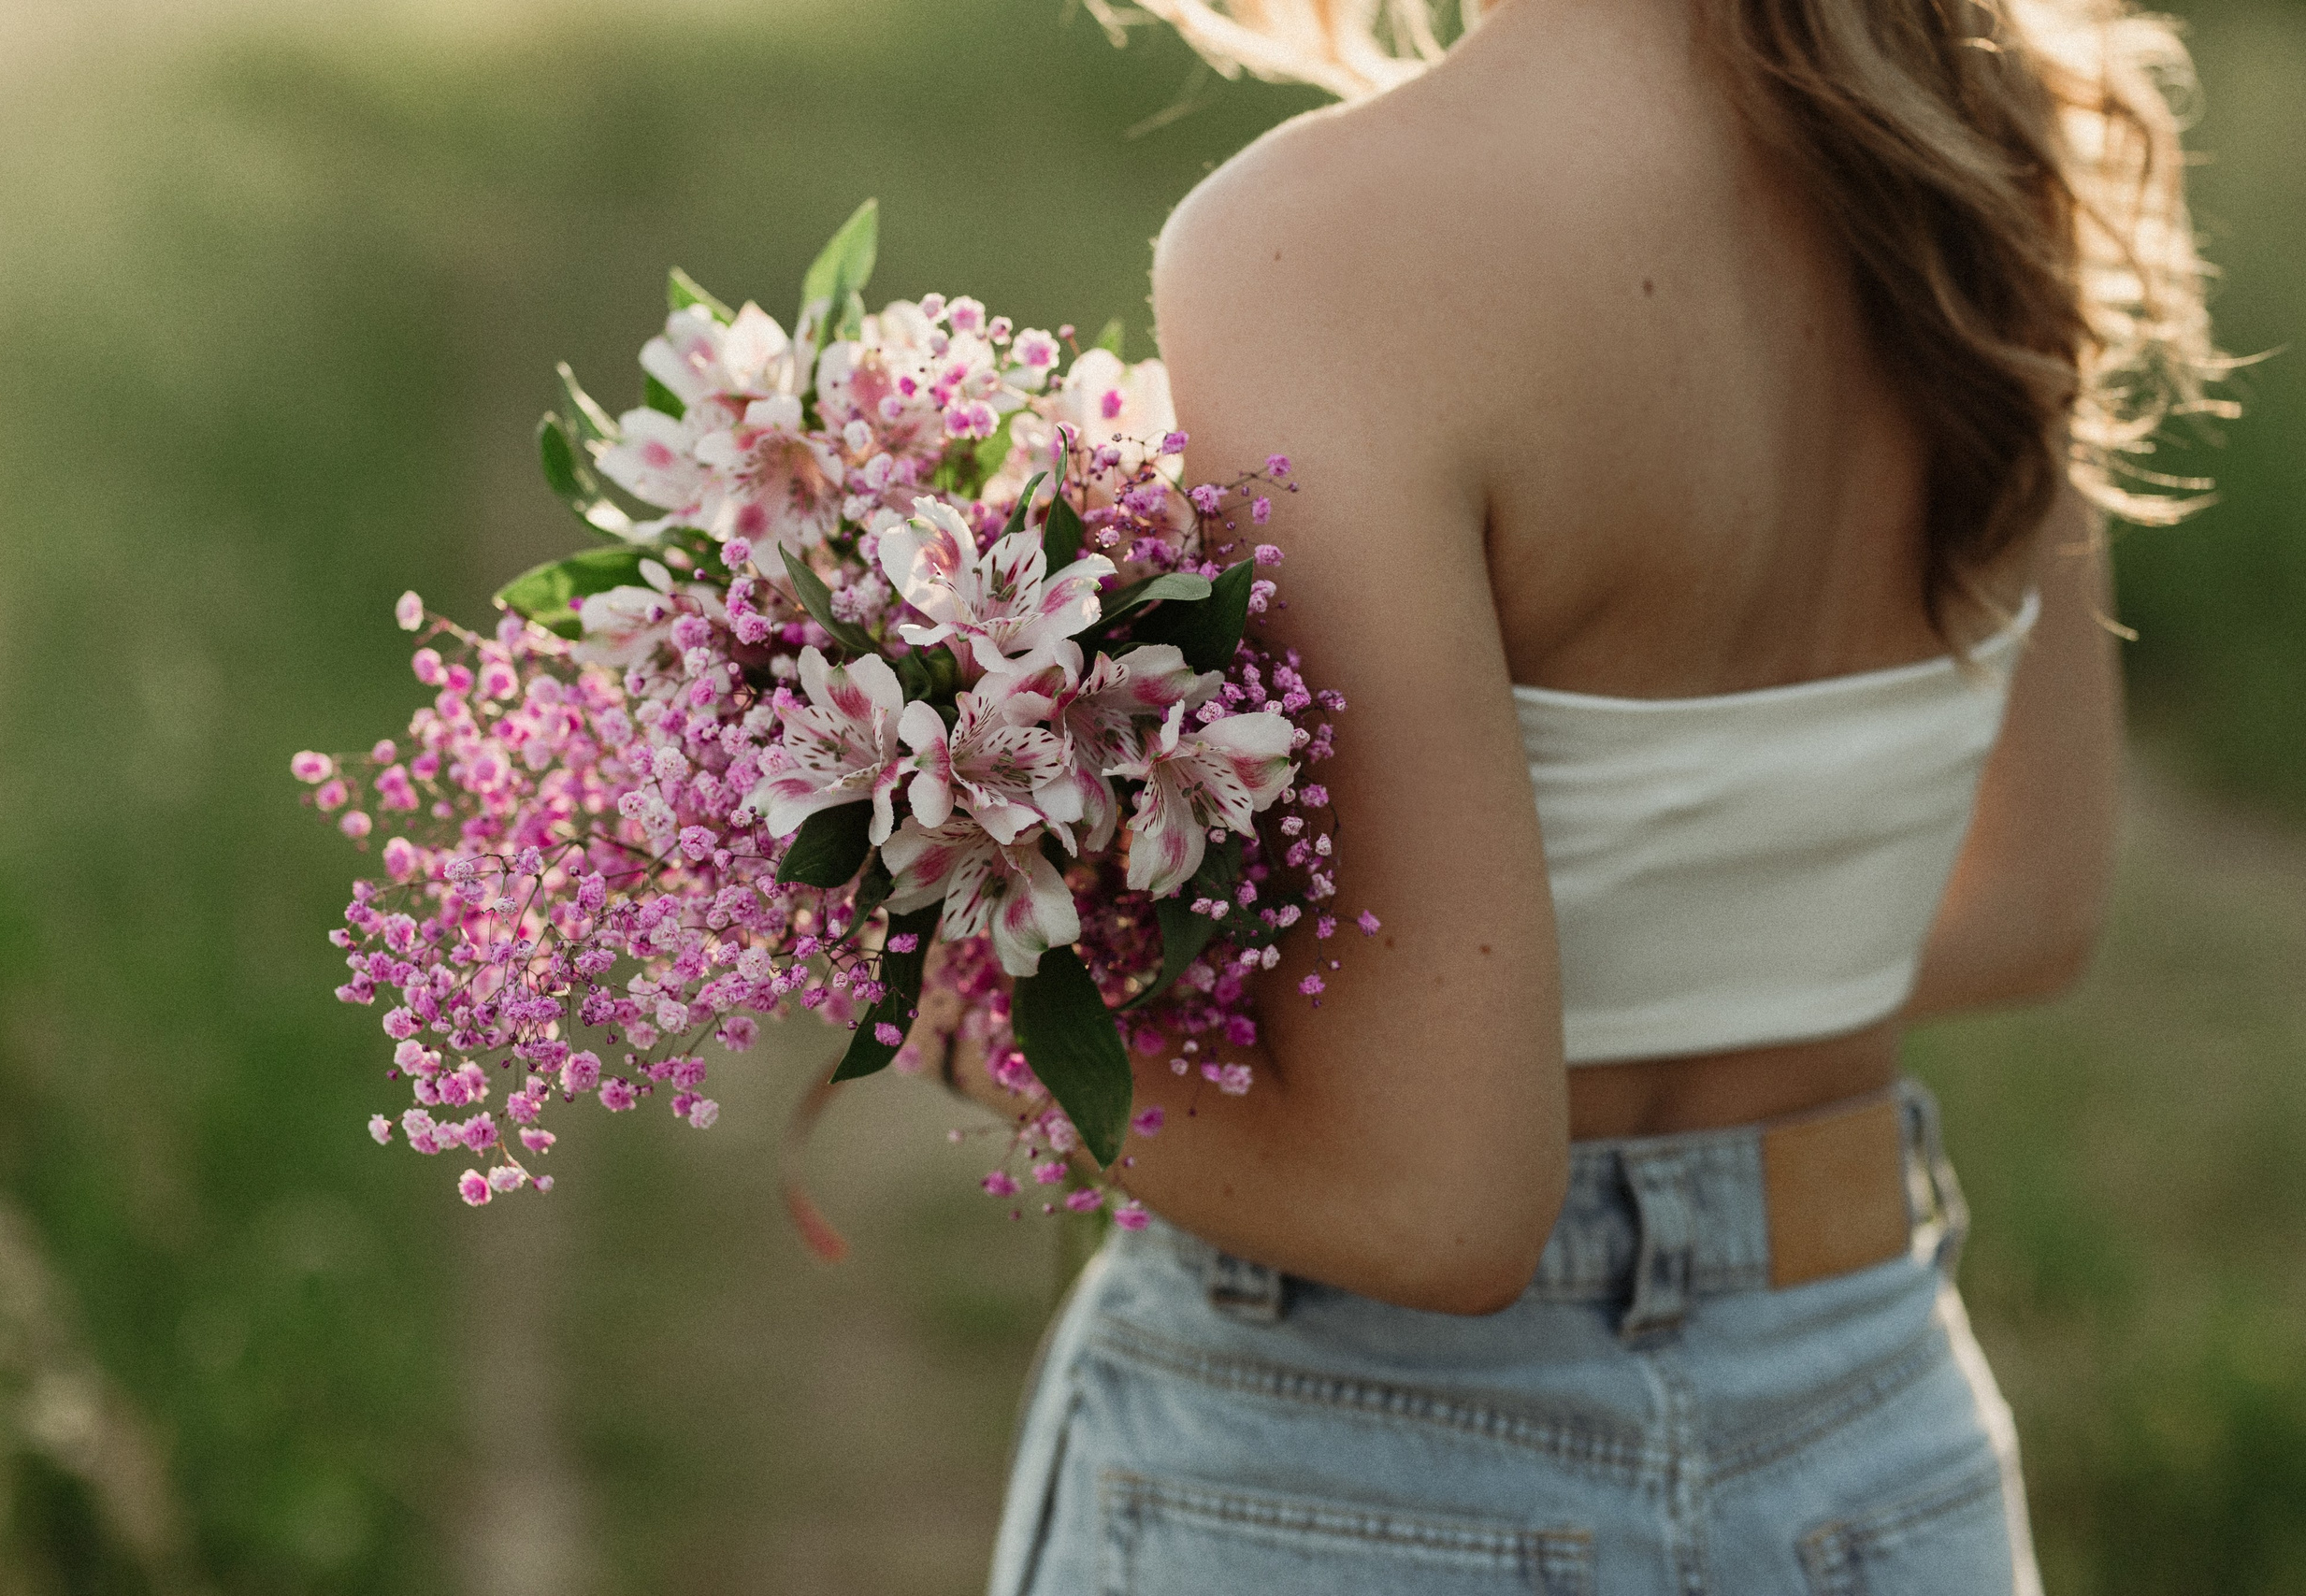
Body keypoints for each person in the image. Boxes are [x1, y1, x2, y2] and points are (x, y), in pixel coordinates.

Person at [911, 0, 2223, 1589]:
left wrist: (991, 1031)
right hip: (1873, 1427)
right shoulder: (1985, 173)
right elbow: (2027, 906)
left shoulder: (1317, 245)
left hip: (1346, 1473)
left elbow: (1441, 1212)